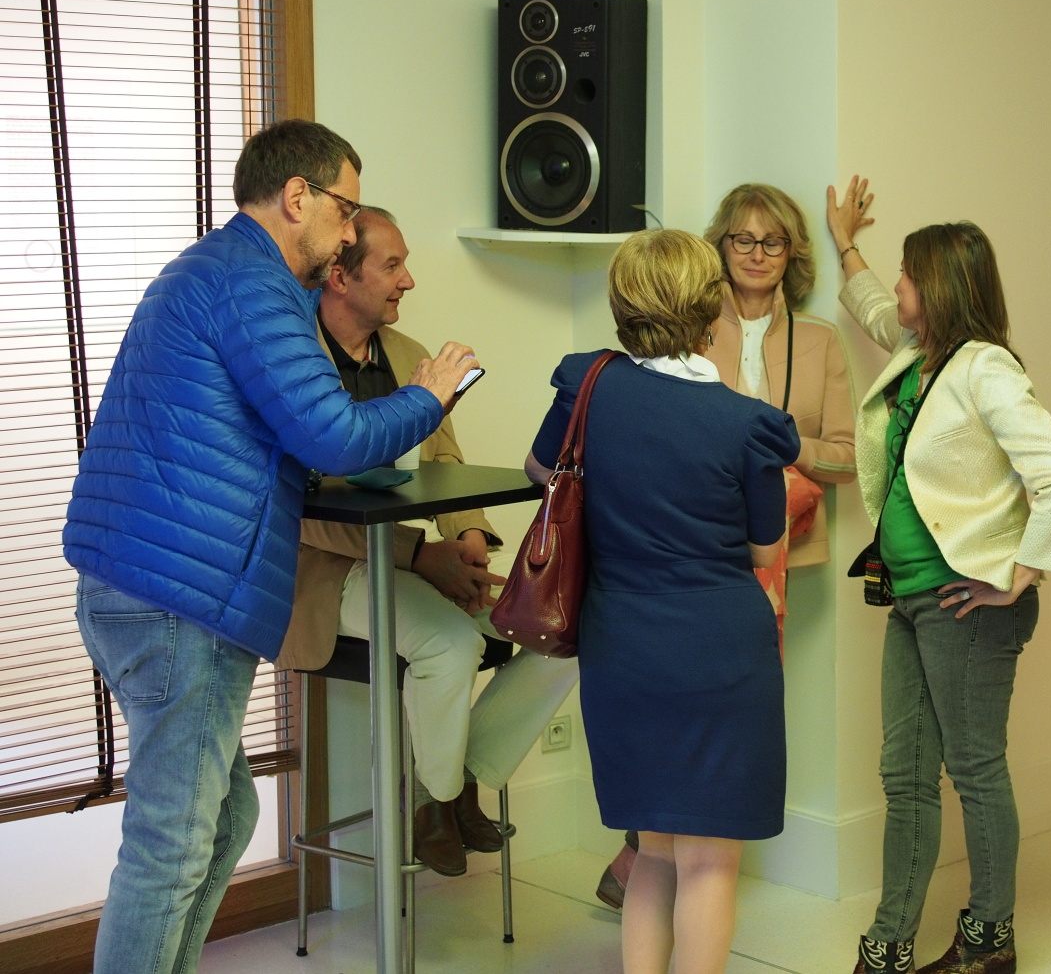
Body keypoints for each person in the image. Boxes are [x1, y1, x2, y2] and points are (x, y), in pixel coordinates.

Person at [63, 120, 478, 974]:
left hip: (146, 586)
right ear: (298, 197)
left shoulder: (215, 271)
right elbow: (332, 434)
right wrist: (430, 394)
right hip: (177, 601)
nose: (350, 231)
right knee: (173, 841)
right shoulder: (252, 285)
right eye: (346, 208)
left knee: (222, 821)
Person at [827, 180, 1051, 974]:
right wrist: (845, 242)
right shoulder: (918, 352)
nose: (899, 283)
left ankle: (990, 936)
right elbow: (876, 309)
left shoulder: (986, 369)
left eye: (910, 272)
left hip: (966, 604)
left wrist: (1018, 576)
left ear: (938, 287)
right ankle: (891, 944)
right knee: (904, 775)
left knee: (973, 769)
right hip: (911, 596)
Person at [525, 229, 799, 974]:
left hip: (622, 646)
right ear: (712, 309)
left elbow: (540, 471)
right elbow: (765, 550)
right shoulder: (746, 424)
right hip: (719, 653)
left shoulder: (588, 386)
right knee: (709, 861)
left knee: (652, 850)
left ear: (624, 305)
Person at [277, 206, 578, 877]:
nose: (408, 280)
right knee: (450, 644)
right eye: (392, 266)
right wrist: (422, 557)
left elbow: (445, 461)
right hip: (319, 573)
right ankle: (434, 807)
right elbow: (295, 509)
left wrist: (466, 538)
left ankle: (460, 780)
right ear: (339, 276)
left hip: (413, 562)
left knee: (561, 630)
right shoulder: (292, 363)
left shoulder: (411, 356)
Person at [594, 182, 857, 908]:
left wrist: (782, 449)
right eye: (743, 239)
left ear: (792, 253)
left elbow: (848, 457)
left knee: (725, 711)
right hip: (695, 545)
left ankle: (660, 857)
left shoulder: (820, 340)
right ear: (718, 250)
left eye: (773, 241)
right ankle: (653, 851)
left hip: (773, 547)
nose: (757, 253)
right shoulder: (683, 328)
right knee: (685, 699)